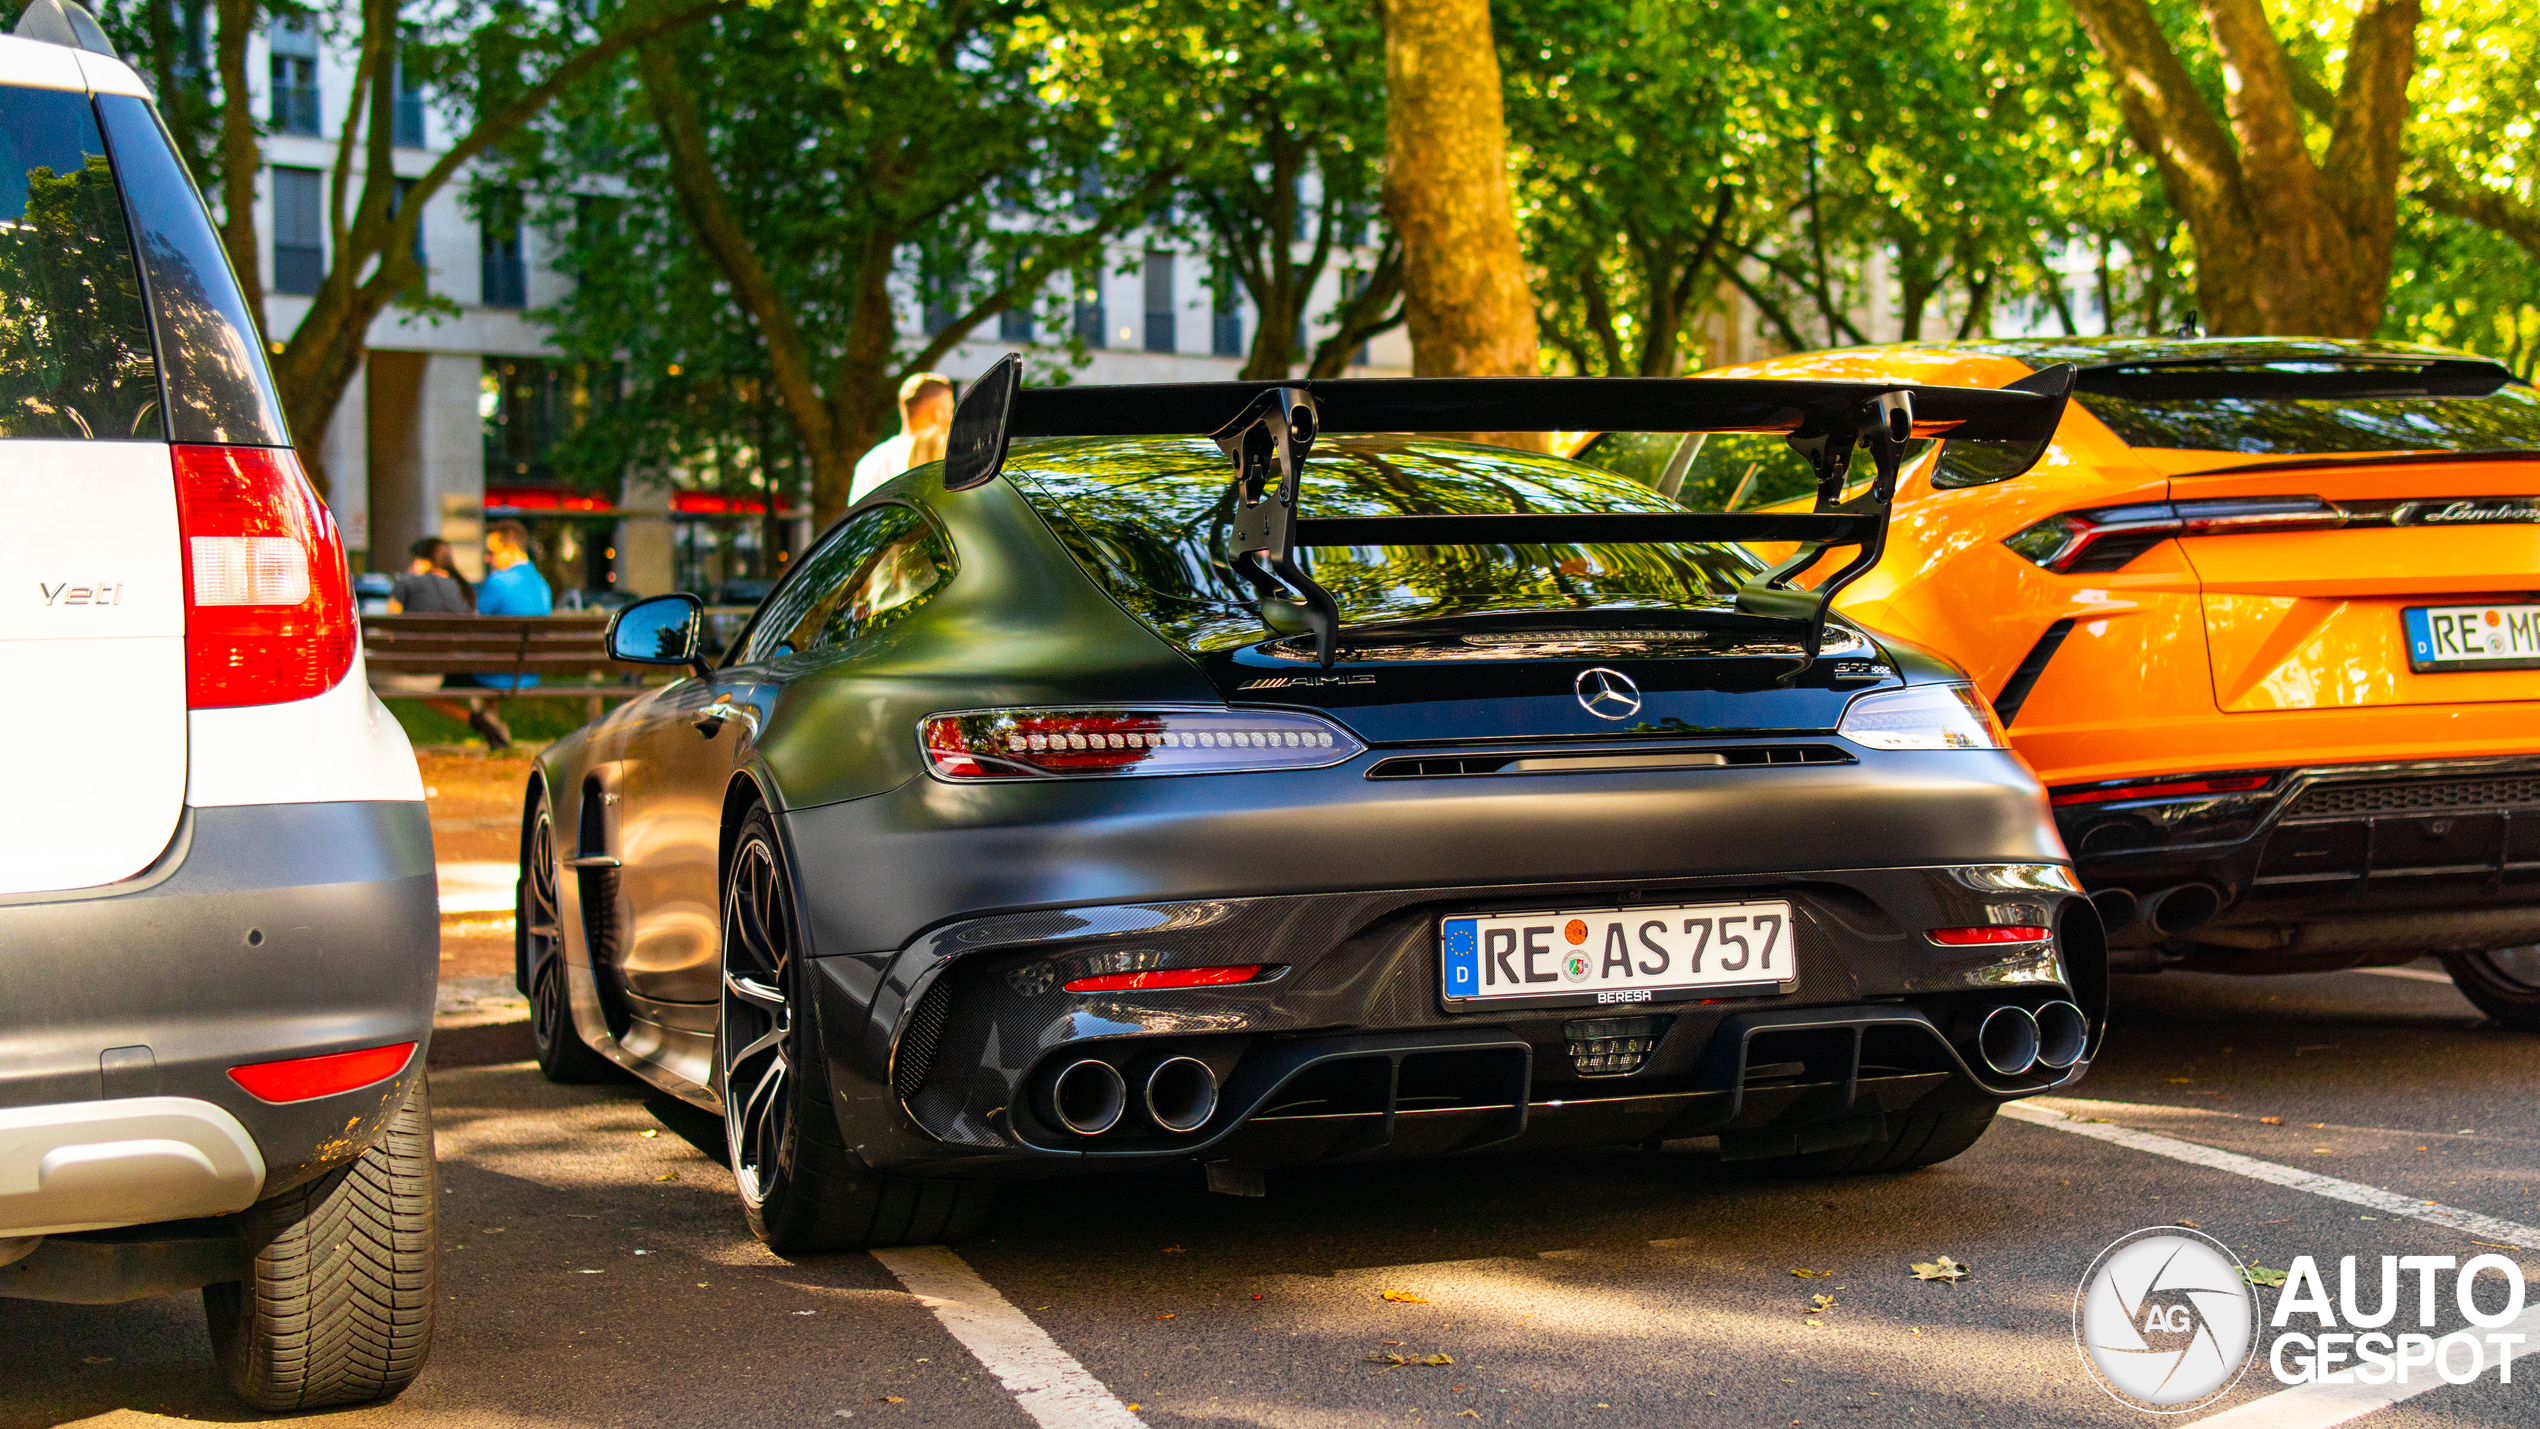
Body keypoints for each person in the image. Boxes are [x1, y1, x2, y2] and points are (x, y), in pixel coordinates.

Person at [442, 521, 552, 751]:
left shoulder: (499, 581)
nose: (487, 559)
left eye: (491, 553)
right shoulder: (542, 585)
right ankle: (493, 726)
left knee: (431, 685)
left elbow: (472, 621)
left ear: (512, 550)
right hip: (528, 672)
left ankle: (481, 721)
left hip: (499, 673)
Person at [848, 371, 955, 506]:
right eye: (950, 410)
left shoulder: (869, 461)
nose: (952, 418)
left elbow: (856, 518)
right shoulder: (941, 454)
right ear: (938, 412)